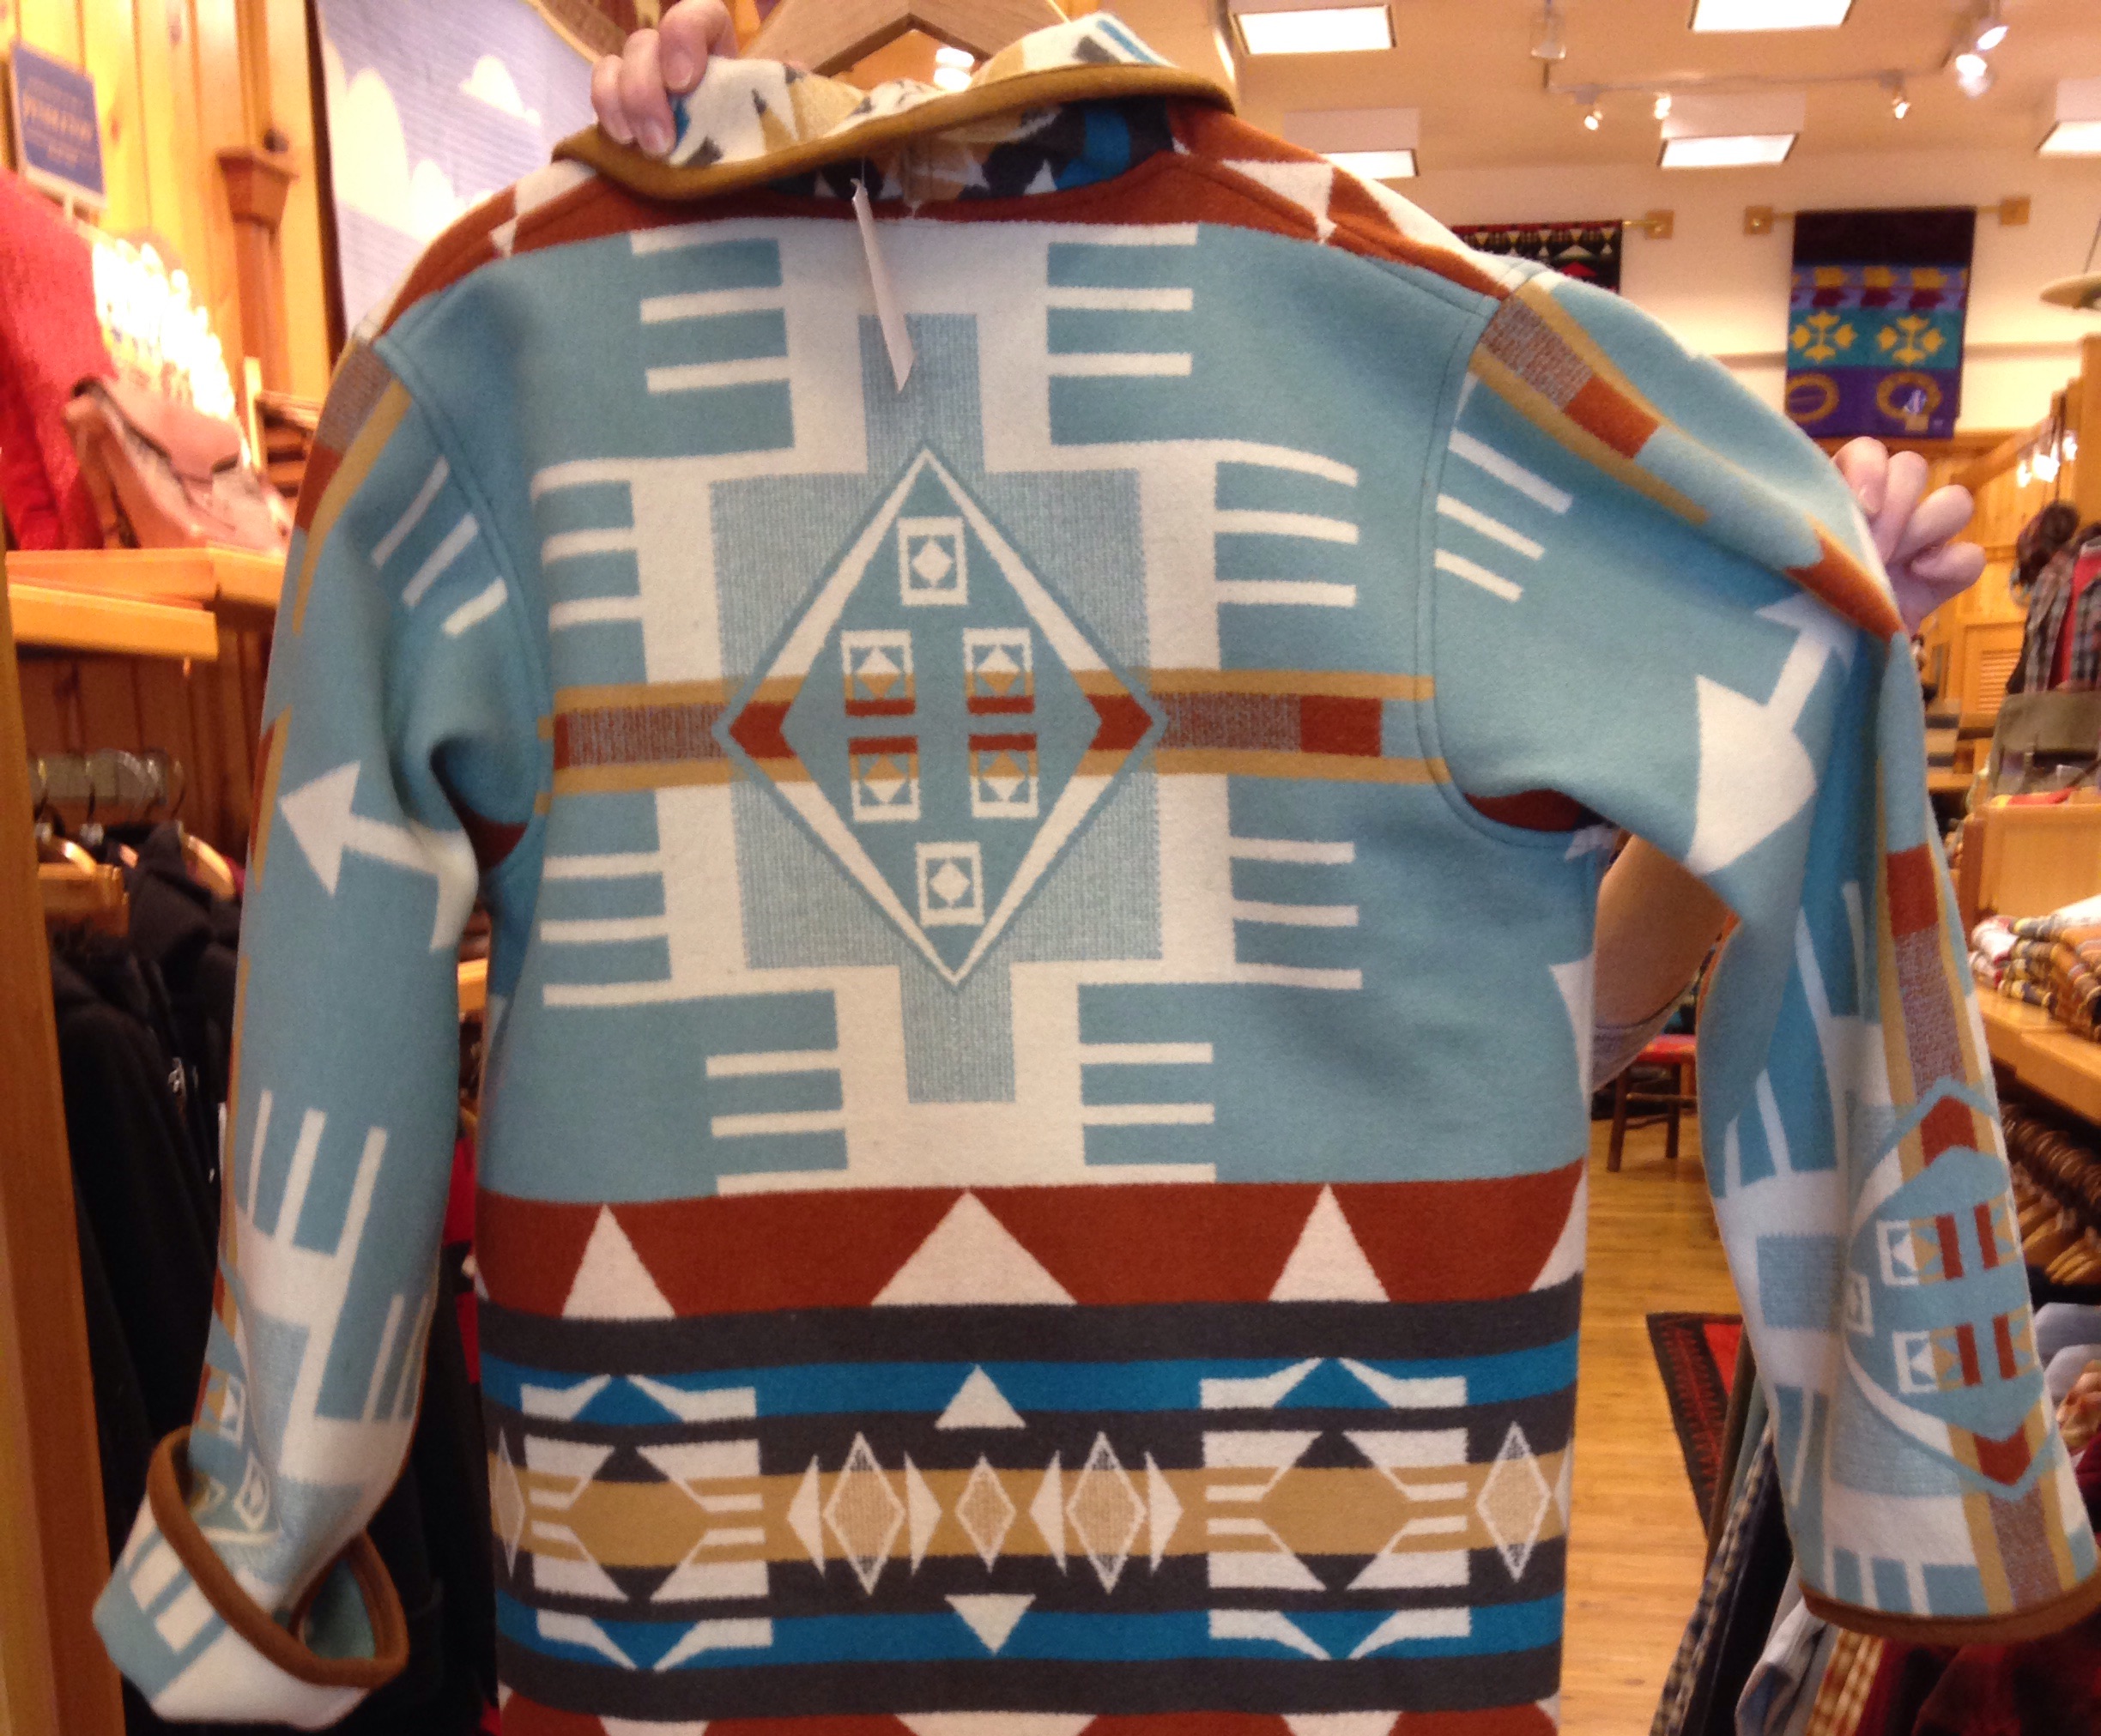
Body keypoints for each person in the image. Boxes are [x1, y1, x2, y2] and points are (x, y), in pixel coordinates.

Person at [590, 0, 1985, 1076]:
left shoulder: (1398, 391)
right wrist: (616, 213)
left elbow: (1568, 1037)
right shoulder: (598, 350)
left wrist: (1784, 677)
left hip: (1274, 1348)